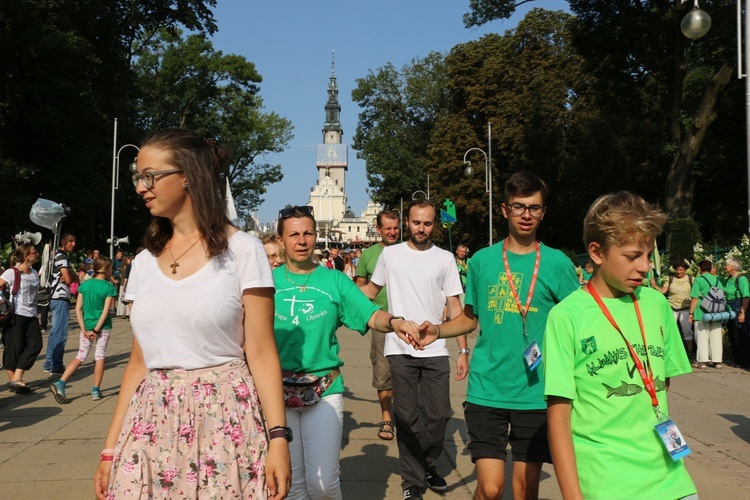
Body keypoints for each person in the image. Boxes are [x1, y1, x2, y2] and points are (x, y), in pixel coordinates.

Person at [94, 128, 290, 499]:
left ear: (188, 175)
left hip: (225, 419)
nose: (140, 187)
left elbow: (262, 352)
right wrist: (109, 448)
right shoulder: (143, 263)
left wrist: (278, 437)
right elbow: (139, 360)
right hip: (150, 422)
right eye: (139, 177)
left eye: (150, 176)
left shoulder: (244, 251)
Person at [417, 171, 579, 500]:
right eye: (518, 207)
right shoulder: (482, 261)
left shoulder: (558, 263)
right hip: (487, 388)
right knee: (491, 489)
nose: (526, 215)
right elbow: (470, 319)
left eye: (534, 208)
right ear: (504, 210)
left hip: (536, 392)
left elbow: (577, 321)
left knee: (524, 491)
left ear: (543, 212)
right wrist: (437, 330)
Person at [544, 191, 696, 499]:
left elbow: (660, 384)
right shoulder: (566, 317)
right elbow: (558, 419)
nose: (644, 267)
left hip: (672, 480)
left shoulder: (657, 304)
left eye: (648, 255)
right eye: (631, 257)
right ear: (597, 252)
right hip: (606, 484)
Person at [272, 205, 418, 500]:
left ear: (316, 236)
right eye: (294, 235)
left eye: (308, 233)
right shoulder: (266, 283)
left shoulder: (334, 281)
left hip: (324, 388)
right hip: (276, 393)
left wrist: (395, 322)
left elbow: (369, 313)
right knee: (292, 485)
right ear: (281, 240)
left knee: (324, 485)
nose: (302, 241)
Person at [361, 199, 468, 500]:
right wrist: (337, 296)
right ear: (407, 222)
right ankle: (412, 481)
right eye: (417, 222)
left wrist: (462, 352)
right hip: (399, 347)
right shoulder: (390, 256)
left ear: (435, 224)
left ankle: (427, 461)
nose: (422, 228)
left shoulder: (445, 259)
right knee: (407, 417)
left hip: (434, 349)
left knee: (438, 415)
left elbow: (455, 306)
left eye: (428, 223)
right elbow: (370, 292)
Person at [355, 209, 400, 441]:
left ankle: (406, 415)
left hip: (408, 321)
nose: (392, 232)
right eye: (388, 228)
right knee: (383, 371)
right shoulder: (369, 255)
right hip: (381, 322)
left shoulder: (408, 252)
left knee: (408, 372)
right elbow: (361, 287)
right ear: (379, 229)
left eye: (396, 228)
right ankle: (386, 416)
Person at [50, 255, 118, 403]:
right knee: (99, 356)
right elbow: (106, 311)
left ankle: (61, 382)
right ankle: (95, 390)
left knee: (80, 356)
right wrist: (96, 330)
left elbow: (78, 309)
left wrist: (84, 328)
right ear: (106, 270)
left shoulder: (85, 285)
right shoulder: (108, 287)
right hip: (103, 327)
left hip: (86, 326)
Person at [1, 244, 43, 394]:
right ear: (26, 256)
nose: (37, 254)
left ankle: (17, 378)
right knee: (14, 349)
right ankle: (17, 383)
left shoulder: (34, 272)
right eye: (34, 252)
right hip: (16, 315)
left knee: (35, 345)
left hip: (31, 315)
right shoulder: (12, 272)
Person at [43, 233, 78, 375]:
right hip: (60, 297)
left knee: (55, 332)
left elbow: (70, 276)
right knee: (60, 333)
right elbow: (70, 279)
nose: (73, 244)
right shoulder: (61, 257)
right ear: (63, 242)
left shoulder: (58, 256)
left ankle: (49, 363)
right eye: (70, 241)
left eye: (74, 241)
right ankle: (56, 365)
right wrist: (72, 276)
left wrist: (71, 275)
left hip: (56, 297)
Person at [651, 260, 695, 359]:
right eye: (677, 270)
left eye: (681, 270)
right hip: (672, 307)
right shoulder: (670, 279)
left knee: (687, 331)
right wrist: (654, 285)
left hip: (686, 308)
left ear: (685, 270)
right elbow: (663, 291)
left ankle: (690, 352)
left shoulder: (691, 279)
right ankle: (669, 351)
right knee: (668, 330)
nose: (679, 272)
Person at [689, 259, 727, 369]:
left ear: (699, 268)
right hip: (716, 311)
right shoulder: (717, 280)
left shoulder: (698, 280)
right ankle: (717, 361)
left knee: (701, 335)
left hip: (701, 311)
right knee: (716, 335)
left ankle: (702, 361)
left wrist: (691, 313)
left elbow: (694, 298)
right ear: (710, 269)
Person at [723, 257, 750, 368]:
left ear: (733, 267)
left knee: (740, 335)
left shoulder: (741, 279)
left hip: (739, 308)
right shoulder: (729, 278)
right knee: (732, 335)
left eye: (726, 265)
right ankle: (737, 360)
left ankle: (745, 361)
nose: (725, 267)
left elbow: (746, 297)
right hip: (730, 308)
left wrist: (742, 312)